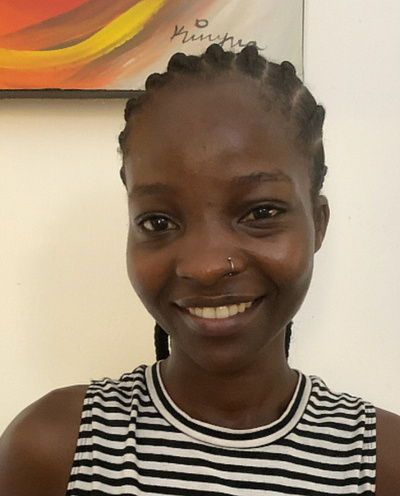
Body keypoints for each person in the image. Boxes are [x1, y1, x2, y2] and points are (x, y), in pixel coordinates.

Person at [0, 44, 399, 495]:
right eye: (158, 222)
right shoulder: (60, 450)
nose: (207, 267)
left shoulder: (379, 463)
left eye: (261, 213)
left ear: (318, 224)